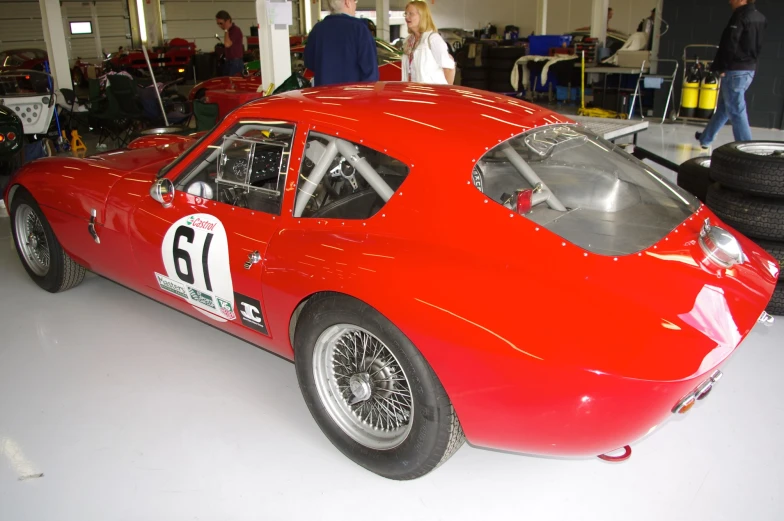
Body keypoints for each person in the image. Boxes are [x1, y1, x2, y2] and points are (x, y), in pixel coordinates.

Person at [696, 0, 766, 149]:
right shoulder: (760, 17)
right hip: (749, 69)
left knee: (735, 109)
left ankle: (746, 149)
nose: (730, 1)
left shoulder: (739, 16)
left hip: (734, 69)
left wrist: (722, 66)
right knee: (725, 107)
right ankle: (706, 138)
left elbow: (730, 44)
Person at [304, 0, 379, 86]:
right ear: (347, 2)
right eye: (355, 1)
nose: (355, 5)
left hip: (324, 95)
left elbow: (309, 63)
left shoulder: (317, 30)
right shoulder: (359, 29)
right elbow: (370, 72)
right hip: (352, 96)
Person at [401, 1, 455, 85]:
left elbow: (449, 68)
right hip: (413, 92)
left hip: (431, 94)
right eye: (406, 14)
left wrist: (447, 92)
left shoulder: (433, 39)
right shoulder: (408, 41)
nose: (407, 17)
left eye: (411, 14)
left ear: (422, 16)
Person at [216, 10, 244, 76]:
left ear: (228, 21)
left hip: (235, 62)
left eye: (221, 23)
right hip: (229, 61)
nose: (220, 26)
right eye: (218, 24)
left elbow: (227, 44)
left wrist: (226, 30)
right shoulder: (229, 31)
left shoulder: (235, 30)